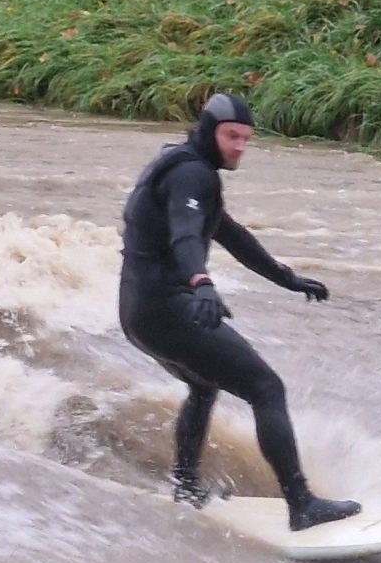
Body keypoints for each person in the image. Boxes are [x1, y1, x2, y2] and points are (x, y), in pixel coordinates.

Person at [120, 92, 361, 532]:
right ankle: (301, 503)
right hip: (168, 310)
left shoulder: (176, 163)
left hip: (138, 313)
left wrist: (285, 277)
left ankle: (186, 486)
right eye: (231, 136)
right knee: (266, 388)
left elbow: (226, 232)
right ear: (209, 130)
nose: (239, 148)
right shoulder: (194, 176)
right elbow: (186, 235)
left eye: (246, 139)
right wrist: (201, 283)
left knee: (203, 386)